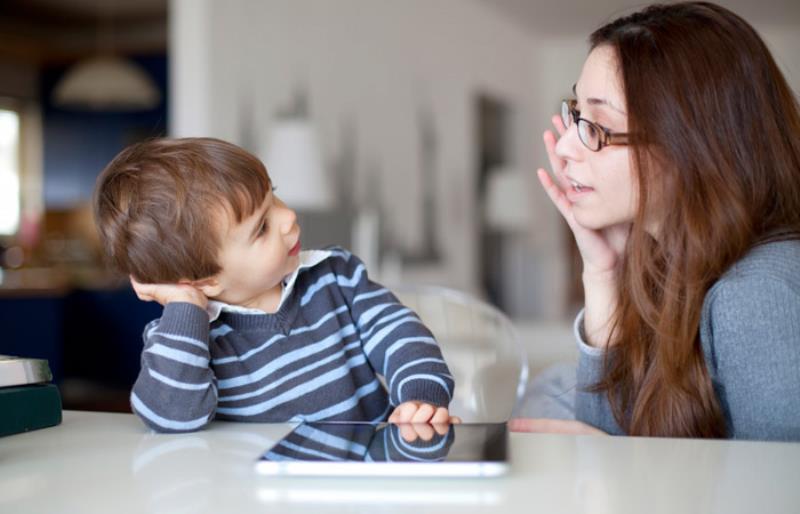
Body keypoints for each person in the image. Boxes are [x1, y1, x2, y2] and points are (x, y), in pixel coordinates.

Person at [511, 1, 800, 440]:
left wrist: (616, 460)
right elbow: (610, 434)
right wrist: (603, 271)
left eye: (597, 126)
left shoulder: (756, 294)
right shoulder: (674, 265)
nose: (566, 146)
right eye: (575, 114)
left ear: (691, 145)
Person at [93, 137, 457, 433]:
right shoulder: (186, 339)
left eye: (274, 195)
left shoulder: (336, 277)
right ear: (207, 280)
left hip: (362, 477)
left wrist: (420, 396)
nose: (288, 217)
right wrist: (187, 307)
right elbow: (171, 416)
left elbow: (400, 333)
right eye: (261, 228)